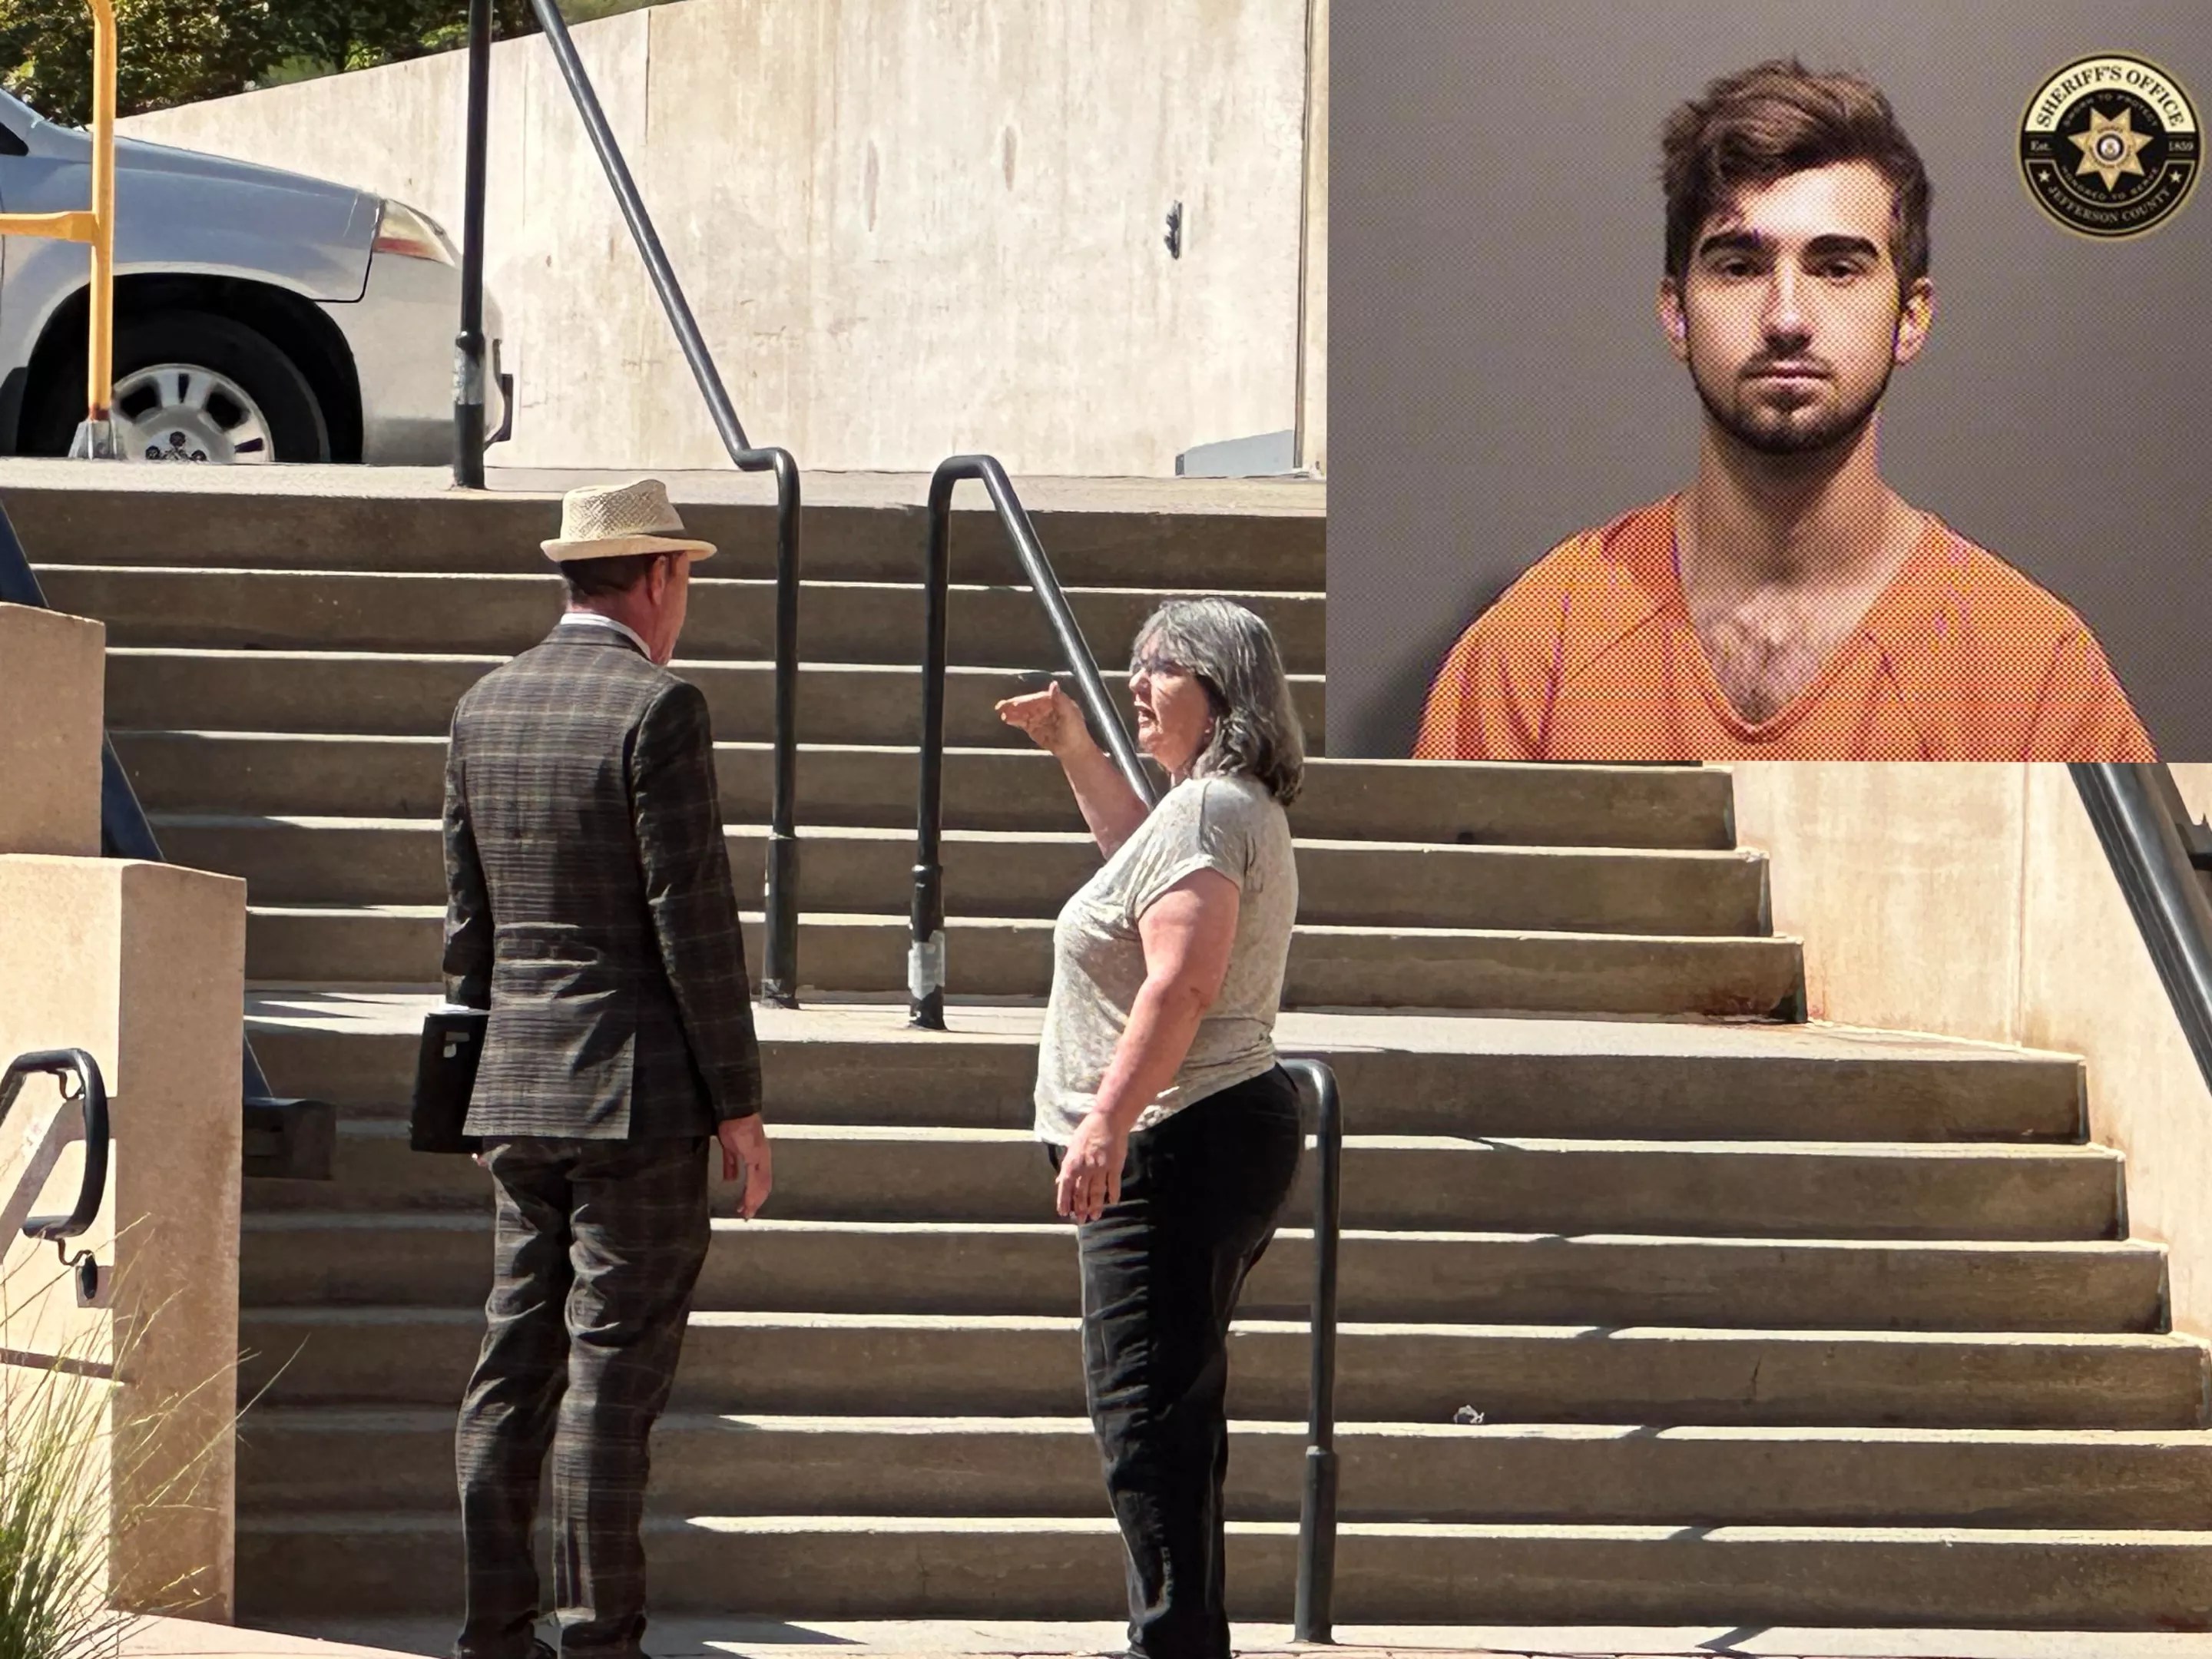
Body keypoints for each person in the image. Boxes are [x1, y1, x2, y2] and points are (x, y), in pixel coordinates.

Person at [1413, 58, 2157, 762]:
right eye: (1740, 267)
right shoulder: (1539, 648)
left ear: (1911, 318)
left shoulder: (2033, 669)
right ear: (1676, 313)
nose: (1787, 318)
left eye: (1837, 268)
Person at [442, 477, 773, 1659]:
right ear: (660, 576)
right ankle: (597, 1640)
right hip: (634, 1095)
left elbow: (466, 928)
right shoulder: (660, 707)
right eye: (685, 577)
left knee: (511, 1367)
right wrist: (739, 1106)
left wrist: (476, 1084)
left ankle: (494, 1632)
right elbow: (695, 920)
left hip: (516, 1087)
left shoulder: (483, 706)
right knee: (610, 1380)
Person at [995, 597, 1304, 1659]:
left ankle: (1171, 1643)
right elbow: (1142, 866)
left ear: (1221, 689)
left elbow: (1180, 982)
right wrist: (1075, 749)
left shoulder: (1214, 808)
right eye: (1134, 663)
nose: (1137, 682)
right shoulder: (1204, 809)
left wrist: (1106, 1122)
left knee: (1144, 1419)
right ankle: (1180, 1636)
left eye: (1162, 666)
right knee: (1169, 1415)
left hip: (1179, 1141)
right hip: (1199, 1134)